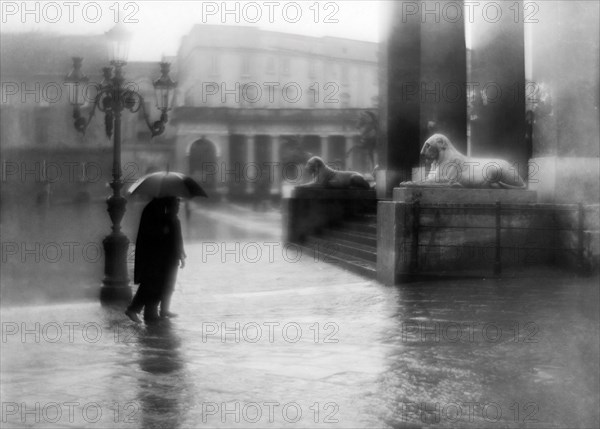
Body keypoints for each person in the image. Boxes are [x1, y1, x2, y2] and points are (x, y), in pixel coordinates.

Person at [125, 197, 186, 323]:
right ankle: (137, 309)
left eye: (178, 205)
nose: (178, 207)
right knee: (152, 285)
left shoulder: (171, 218)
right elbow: (164, 238)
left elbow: (177, 240)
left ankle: (156, 310)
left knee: (164, 284)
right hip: (162, 258)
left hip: (167, 258)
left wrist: (181, 254)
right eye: (175, 204)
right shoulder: (162, 216)